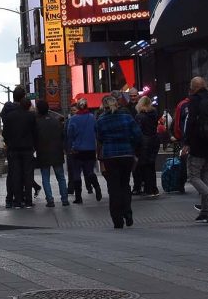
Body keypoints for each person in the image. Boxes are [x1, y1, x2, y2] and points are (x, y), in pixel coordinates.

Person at [94, 94, 142, 228]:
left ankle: (117, 219)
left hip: (110, 156)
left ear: (103, 106)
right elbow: (138, 135)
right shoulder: (127, 117)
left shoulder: (101, 120)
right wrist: (132, 146)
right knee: (125, 184)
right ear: (117, 104)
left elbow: (99, 138)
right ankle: (128, 212)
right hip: (126, 154)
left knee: (113, 187)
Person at [179, 76, 208, 221]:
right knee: (205, 176)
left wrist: (186, 142)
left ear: (193, 87)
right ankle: (205, 210)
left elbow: (190, 122)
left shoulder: (194, 100)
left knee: (193, 176)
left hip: (198, 144)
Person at [0, 86, 38, 208]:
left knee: (14, 174)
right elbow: (35, 132)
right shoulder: (30, 116)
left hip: (13, 149)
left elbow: (5, 133)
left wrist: (9, 142)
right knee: (28, 174)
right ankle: (28, 201)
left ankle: (16, 201)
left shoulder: (9, 116)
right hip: (27, 149)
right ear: (23, 98)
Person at [33, 100, 71, 206]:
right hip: (57, 152)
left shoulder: (36, 122)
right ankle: (64, 199)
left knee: (45, 177)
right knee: (61, 177)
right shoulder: (56, 121)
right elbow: (62, 136)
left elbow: (34, 138)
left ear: (39, 109)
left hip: (43, 153)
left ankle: (50, 200)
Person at [65, 98, 101, 202]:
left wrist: (70, 147)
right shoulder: (92, 118)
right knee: (89, 171)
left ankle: (78, 197)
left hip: (77, 150)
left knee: (76, 173)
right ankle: (97, 187)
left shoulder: (73, 119)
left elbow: (70, 135)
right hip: (90, 149)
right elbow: (97, 131)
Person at [135, 96, 161, 197]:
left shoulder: (139, 116)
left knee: (144, 165)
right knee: (151, 165)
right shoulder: (154, 114)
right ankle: (154, 188)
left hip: (144, 142)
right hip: (154, 141)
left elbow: (138, 132)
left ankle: (148, 189)